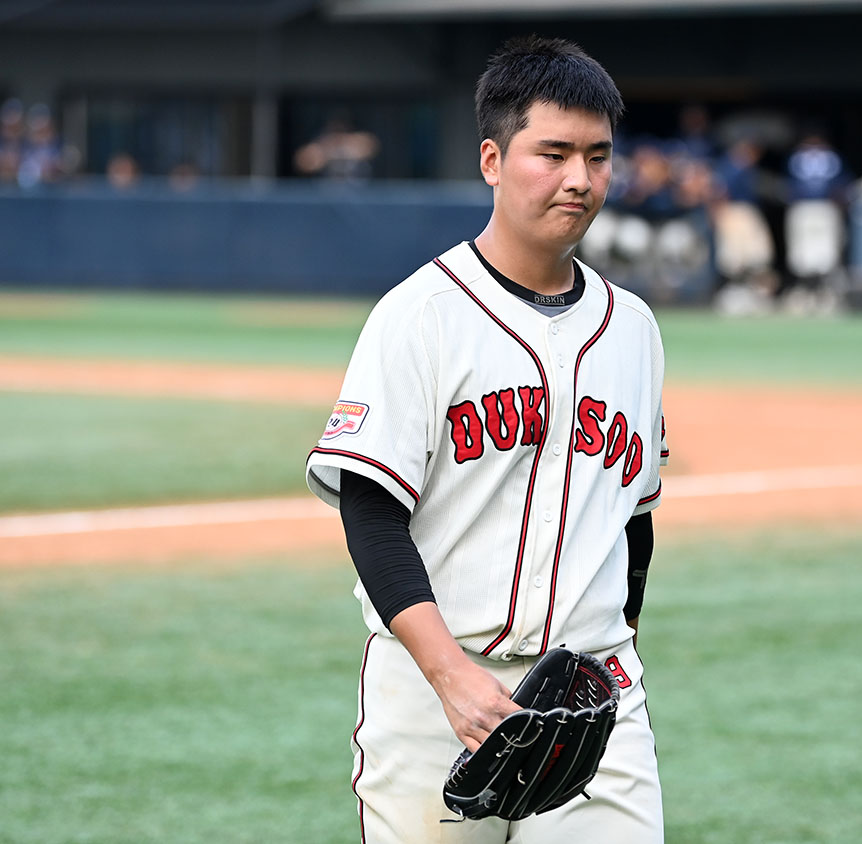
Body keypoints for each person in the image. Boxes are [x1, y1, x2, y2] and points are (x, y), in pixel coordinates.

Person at [305, 36, 668, 843]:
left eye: (598, 156)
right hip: (436, 690)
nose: (579, 177)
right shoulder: (420, 315)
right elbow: (369, 512)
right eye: (554, 152)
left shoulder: (634, 330)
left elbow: (634, 518)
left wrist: (617, 660)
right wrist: (449, 676)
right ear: (493, 160)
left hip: (591, 693)